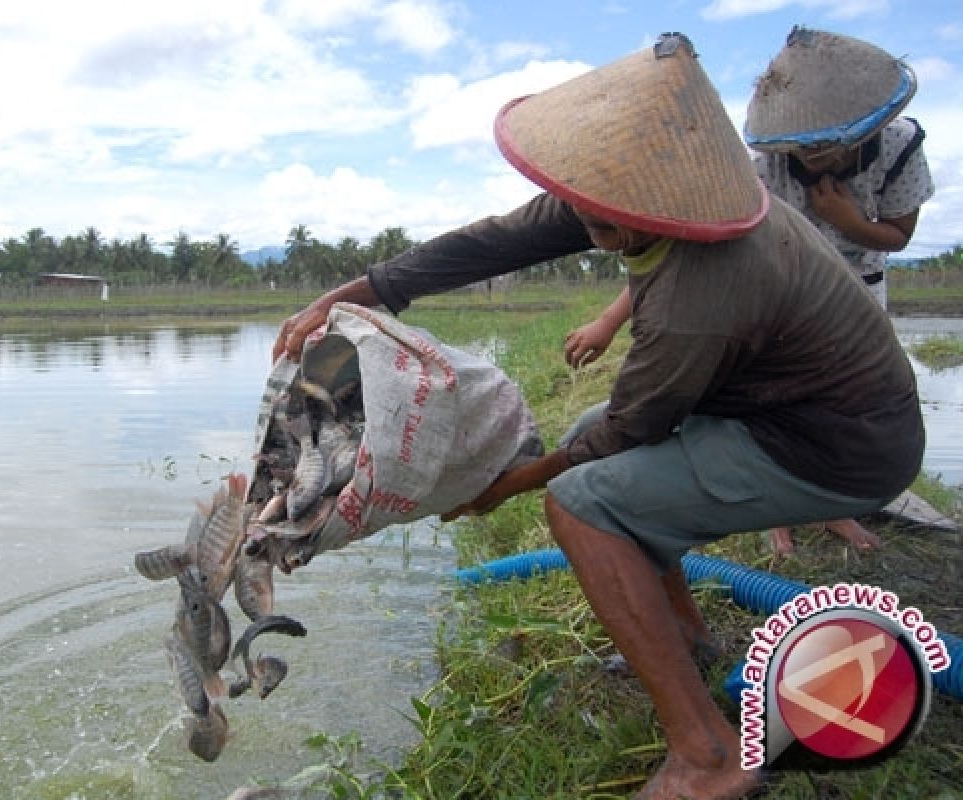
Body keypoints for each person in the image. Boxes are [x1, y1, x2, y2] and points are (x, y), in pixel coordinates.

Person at [272, 33, 924, 800]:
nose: (580, 221)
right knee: (589, 434)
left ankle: (707, 758)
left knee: (582, 504)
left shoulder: (701, 289)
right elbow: (497, 240)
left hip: (834, 449)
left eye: (596, 217)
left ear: (648, 205)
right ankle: (683, 637)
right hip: (782, 410)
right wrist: (354, 296)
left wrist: (506, 486)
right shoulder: (647, 200)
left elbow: (633, 431)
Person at [566, 26, 935, 557]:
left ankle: (833, 509)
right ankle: (776, 517)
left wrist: (845, 219)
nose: (814, 161)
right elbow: (687, 256)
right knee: (763, 396)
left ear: (864, 132)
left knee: (838, 405)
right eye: (802, 151)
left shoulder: (900, 147)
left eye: (829, 149)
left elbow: (898, 236)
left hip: (853, 291)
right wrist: (609, 320)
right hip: (769, 301)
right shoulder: (757, 170)